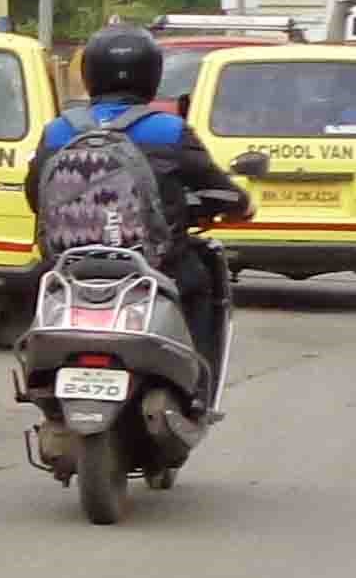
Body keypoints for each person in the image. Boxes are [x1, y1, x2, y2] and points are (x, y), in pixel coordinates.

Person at [28, 22, 250, 394]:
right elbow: (218, 188)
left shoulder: (58, 131)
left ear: (89, 74)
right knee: (200, 283)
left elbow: (36, 195)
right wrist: (241, 205)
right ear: (152, 74)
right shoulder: (168, 130)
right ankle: (196, 388)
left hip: (70, 267)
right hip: (155, 266)